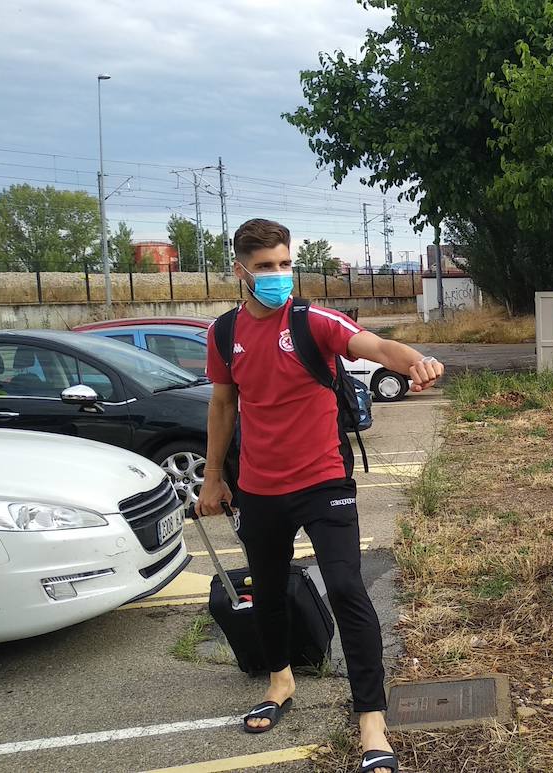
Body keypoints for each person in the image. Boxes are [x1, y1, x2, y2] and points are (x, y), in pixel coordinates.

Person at [198, 219, 443, 773]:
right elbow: (222, 405)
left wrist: (416, 361)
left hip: (324, 480)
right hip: (259, 487)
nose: (279, 275)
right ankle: (280, 680)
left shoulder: (312, 321)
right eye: (266, 267)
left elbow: (374, 345)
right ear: (241, 272)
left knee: (347, 588)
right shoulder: (222, 334)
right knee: (269, 591)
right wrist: (214, 476)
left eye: (285, 264)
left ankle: (372, 723)